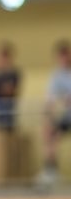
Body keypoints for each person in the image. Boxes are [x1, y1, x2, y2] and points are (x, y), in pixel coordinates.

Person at [38, 40, 71, 184]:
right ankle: (50, 171)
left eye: (67, 55)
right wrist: (48, 118)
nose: (65, 59)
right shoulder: (56, 76)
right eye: (62, 56)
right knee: (49, 132)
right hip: (67, 117)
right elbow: (50, 100)